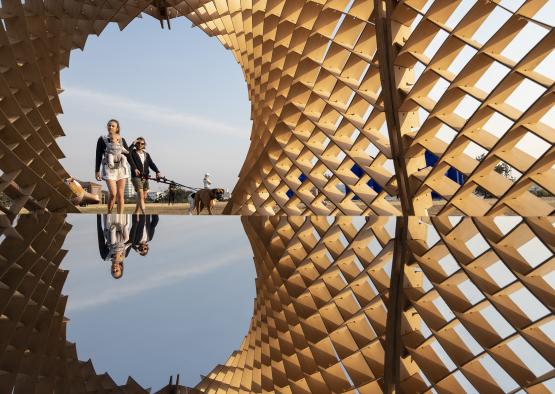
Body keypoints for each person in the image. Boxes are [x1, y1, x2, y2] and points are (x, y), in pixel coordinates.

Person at [95, 119, 134, 214]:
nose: (110, 127)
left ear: (117, 128)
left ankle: (120, 217)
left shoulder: (121, 139)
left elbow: (128, 155)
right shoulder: (102, 139)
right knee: (113, 194)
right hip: (109, 169)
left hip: (121, 169)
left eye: (113, 126)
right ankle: (109, 214)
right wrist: (97, 171)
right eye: (109, 125)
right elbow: (98, 155)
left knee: (120, 195)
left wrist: (135, 168)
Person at [128, 137, 162, 214]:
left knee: (143, 197)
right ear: (136, 144)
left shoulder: (146, 154)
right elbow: (127, 152)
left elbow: (151, 164)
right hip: (136, 177)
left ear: (144, 145)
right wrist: (133, 143)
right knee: (140, 194)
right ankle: (144, 214)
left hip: (146, 177)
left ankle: (136, 213)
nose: (140, 144)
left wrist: (157, 172)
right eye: (138, 143)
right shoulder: (132, 153)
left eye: (142, 143)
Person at [97, 214, 131, 279]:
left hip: (109, 224)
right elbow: (130, 240)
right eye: (117, 271)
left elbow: (100, 236)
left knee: (110, 207)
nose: (114, 269)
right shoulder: (125, 254)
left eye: (113, 271)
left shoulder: (105, 256)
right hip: (122, 223)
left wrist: (98, 215)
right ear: (121, 268)